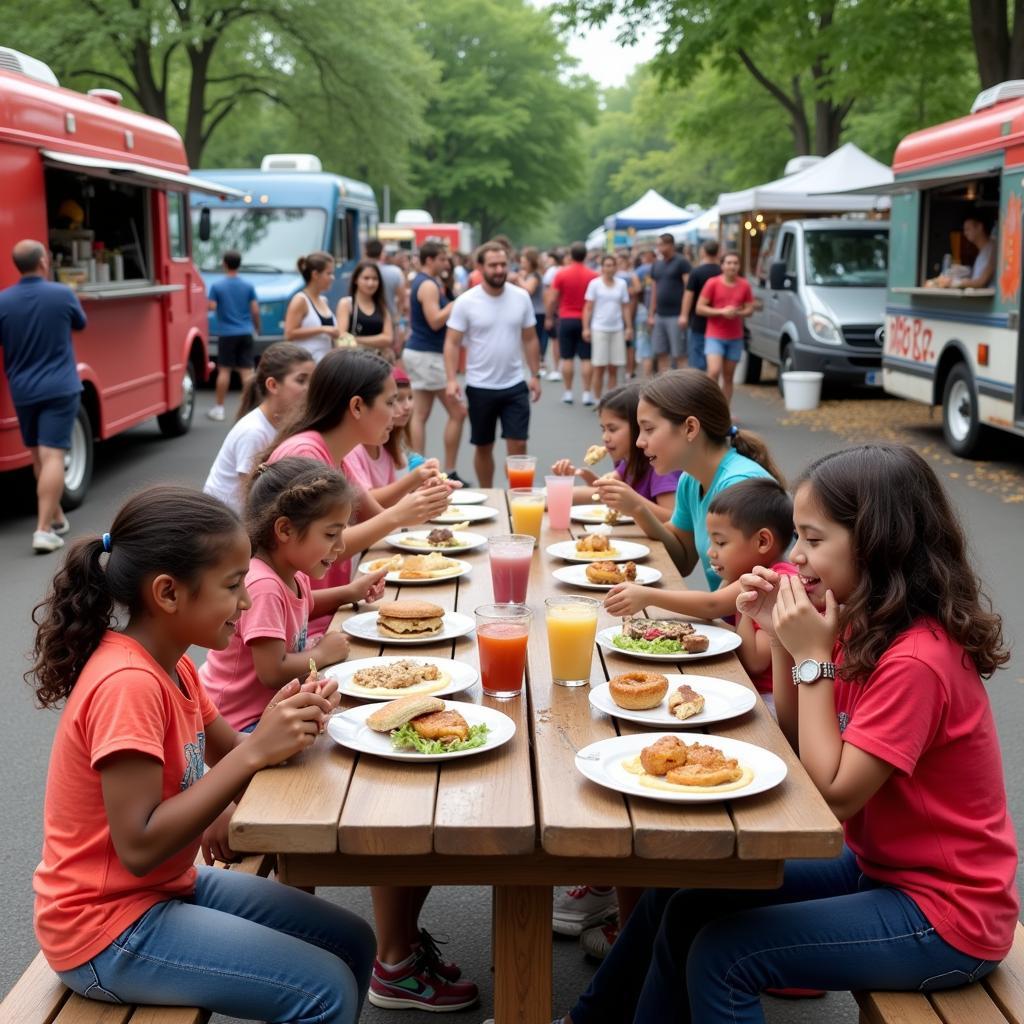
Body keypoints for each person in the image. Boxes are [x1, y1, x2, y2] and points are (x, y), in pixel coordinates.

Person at [562, 443, 1019, 1023]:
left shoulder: (917, 661)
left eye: (813, 539)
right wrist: (780, 637)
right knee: (679, 898)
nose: (795, 557)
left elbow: (833, 793)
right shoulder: (858, 618)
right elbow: (801, 744)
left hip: (946, 914)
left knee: (724, 957)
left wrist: (812, 658)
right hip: (879, 864)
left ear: (880, 541)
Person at [30, 486, 376, 1022]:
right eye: (233, 585)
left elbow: (235, 750)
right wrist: (256, 751)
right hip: (105, 927)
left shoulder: (177, 665)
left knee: (352, 941)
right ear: (168, 593)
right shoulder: (128, 684)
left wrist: (284, 717)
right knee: (324, 989)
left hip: (162, 887)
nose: (245, 602)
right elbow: (139, 844)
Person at [261, 349, 451, 634]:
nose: (397, 412)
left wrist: (426, 500)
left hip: (325, 612)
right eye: (390, 402)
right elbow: (318, 549)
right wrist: (399, 515)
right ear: (357, 406)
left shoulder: (339, 454)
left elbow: (374, 516)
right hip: (300, 629)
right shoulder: (304, 452)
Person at [200, 458, 386, 731]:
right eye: (331, 534)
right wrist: (321, 654)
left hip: (272, 709)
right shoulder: (263, 585)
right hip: (242, 722)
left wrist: (349, 592)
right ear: (285, 530)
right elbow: (272, 671)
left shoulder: (292, 573)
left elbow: (301, 607)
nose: (341, 546)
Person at [604, 370, 783, 594]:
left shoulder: (740, 485)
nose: (639, 442)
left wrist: (653, 597)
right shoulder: (690, 480)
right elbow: (683, 561)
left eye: (649, 429)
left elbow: (744, 595)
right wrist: (638, 509)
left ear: (690, 428)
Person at [0, 239, 86, 553]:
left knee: (38, 455)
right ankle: (42, 529)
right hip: (59, 386)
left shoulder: (3, 301)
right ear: (43, 262)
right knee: (53, 456)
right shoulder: (62, 294)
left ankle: (56, 517)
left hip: (22, 389)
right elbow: (80, 323)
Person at [443, 242, 542, 488]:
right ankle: (489, 495)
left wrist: (535, 374)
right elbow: (452, 343)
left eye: (502, 264)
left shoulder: (521, 297)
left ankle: (518, 497)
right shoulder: (466, 301)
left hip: (514, 384)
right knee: (484, 446)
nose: (499, 270)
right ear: (480, 267)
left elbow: (530, 338)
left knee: (518, 446)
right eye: (493, 265)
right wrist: (452, 379)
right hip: (480, 386)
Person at [203, 342, 315, 514]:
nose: (309, 389)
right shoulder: (254, 432)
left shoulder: (289, 423)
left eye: (312, 381)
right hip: (225, 525)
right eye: (301, 380)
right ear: (273, 385)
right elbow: (252, 497)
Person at [551, 384, 680, 522]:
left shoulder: (660, 466)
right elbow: (602, 493)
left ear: (639, 428)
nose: (605, 438)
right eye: (603, 429)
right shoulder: (627, 461)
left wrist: (635, 503)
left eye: (612, 429)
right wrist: (579, 479)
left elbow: (674, 519)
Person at [404, 241, 468, 483]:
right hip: (428, 354)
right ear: (430, 260)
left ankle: (417, 471)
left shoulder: (424, 282)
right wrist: (456, 304)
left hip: (422, 352)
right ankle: (446, 468)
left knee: (419, 413)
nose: (447, 263)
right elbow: (435, 320)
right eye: (442, 258)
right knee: (458, 411)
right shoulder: (428, 285)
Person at [206, 250, 260, 422]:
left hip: (227, 333)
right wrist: (257, 328)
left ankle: (219, 408)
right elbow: (255, 310)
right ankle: (251, 408)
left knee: (224, 370)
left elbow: (212, 307)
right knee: (247, 371)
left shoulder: (217, 286)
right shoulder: (248, 286)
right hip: (245, 331)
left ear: (224, 264)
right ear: (239, 264)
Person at [696, 250, 753, 404]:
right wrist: (721, 311)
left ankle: (724, 411)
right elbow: (700, 308)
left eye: (735, 263)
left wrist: (738, 312)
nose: (732, 266)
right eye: (728, 263)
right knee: (713, 371)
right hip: (715, 335)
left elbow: (750, 309)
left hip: (735, 337)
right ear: (722, 265)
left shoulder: (744, 285)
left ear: (739, 266)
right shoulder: (712, 283)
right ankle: (708, 406)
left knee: (728, 377)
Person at [548, 241, 598, 405]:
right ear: (585, 255)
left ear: (571, 255)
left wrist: (549, 317)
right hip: (585, 320)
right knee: (586, 357)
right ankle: (586, 393)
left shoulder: (561, 274)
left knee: (567, 357)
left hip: (566, 317)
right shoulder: (593, 275)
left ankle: (568, 392)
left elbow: (553, 298)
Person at [583, 254, 631, 400]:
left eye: (612, 265)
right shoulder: (595, 284)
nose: (610, 268)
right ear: (602, 267)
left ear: (616, 267)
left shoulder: (621, 284)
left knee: (614, 368)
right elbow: (588, 307)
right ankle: (598, 399)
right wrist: (585, 327)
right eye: (607, 265)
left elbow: (625, 307)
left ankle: (611, 400)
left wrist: (629, 327)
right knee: (599, 367)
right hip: (599, 328)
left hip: (616, 328)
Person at [283, 251, 340, 362]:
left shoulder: (323, 300)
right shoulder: (300, 300)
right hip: (307, 365)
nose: (332, 278)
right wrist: (323, 329)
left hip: (325, 365)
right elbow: (289, 334)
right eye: (328, 273)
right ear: (315, 275)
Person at [647, 233, 691, 372]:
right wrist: (651, 314)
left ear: (669, 245)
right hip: (660, 315)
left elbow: (688, 289)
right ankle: (663, 388)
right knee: (661, 352)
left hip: (676, 315)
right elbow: (654, 290)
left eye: (661, 245)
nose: (658, 248)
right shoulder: (657, 265)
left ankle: (680, 388)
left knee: (679, 354)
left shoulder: (682, 262)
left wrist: (684, 314)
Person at [336, 260, 394, 358]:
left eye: (375, 279)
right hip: (353, 363)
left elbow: (388, 339)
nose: (370, 283)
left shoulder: (382, 307)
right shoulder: (346, 304)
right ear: (356, 280)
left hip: (378, 363)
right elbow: (342, 338)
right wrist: (377, 341)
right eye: (366, 278)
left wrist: (356, 339)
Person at [680, 239, 722, 373]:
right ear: (718, 253)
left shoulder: (696, 272)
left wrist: (684, 315)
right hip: (720, 322)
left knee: (697, 361)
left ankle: (698, 389)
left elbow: (688, 295)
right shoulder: (723, 272)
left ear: (702, 252)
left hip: (699, 321)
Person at [931, 214, 996, 289]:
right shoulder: (982, 251)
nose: (965, 233)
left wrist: (955, 283)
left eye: (968, 229)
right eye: (964, 230)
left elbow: (981, 282)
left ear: (979, 227)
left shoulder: (993, 248)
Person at [364, 238, 408, 345]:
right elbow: (402, 299)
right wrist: (397, 318)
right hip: (389, 320)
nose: (371, 283)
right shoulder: (395, 272)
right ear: (382, 253)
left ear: (365, 252)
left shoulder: (359, 272)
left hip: (365, 320)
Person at [520, 248, 550, 376]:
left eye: (524, 260)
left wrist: (518, 279)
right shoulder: (530, 275)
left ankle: (538, 363)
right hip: (533, 311)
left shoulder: (535, 276)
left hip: (537, 311)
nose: (521, 263)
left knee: (534, 339)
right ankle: (535, 363)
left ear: (529, 262)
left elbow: (528, 290)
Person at [615, 251, 640, 379]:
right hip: (616, 315)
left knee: (629, 343)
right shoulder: (615, 276)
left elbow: (637, 290)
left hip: (629, 314)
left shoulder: (631, 275)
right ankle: (626, 368)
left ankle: (629, 370)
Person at [541, 249, 564, 380]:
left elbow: (550, 294)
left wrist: (549, 312)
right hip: (562, 309)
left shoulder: (552, 272)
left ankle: (557, 368)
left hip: (555, 309)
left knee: (555, 341)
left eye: (549, 259)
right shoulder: (563, 270)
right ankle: (560, 366)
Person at [633, 248, 655, 377]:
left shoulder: (639, 271)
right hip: (659, 313)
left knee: (646, 348)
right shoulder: (660, 268)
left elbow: (637, 289)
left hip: (643, 310)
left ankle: (647, 380)